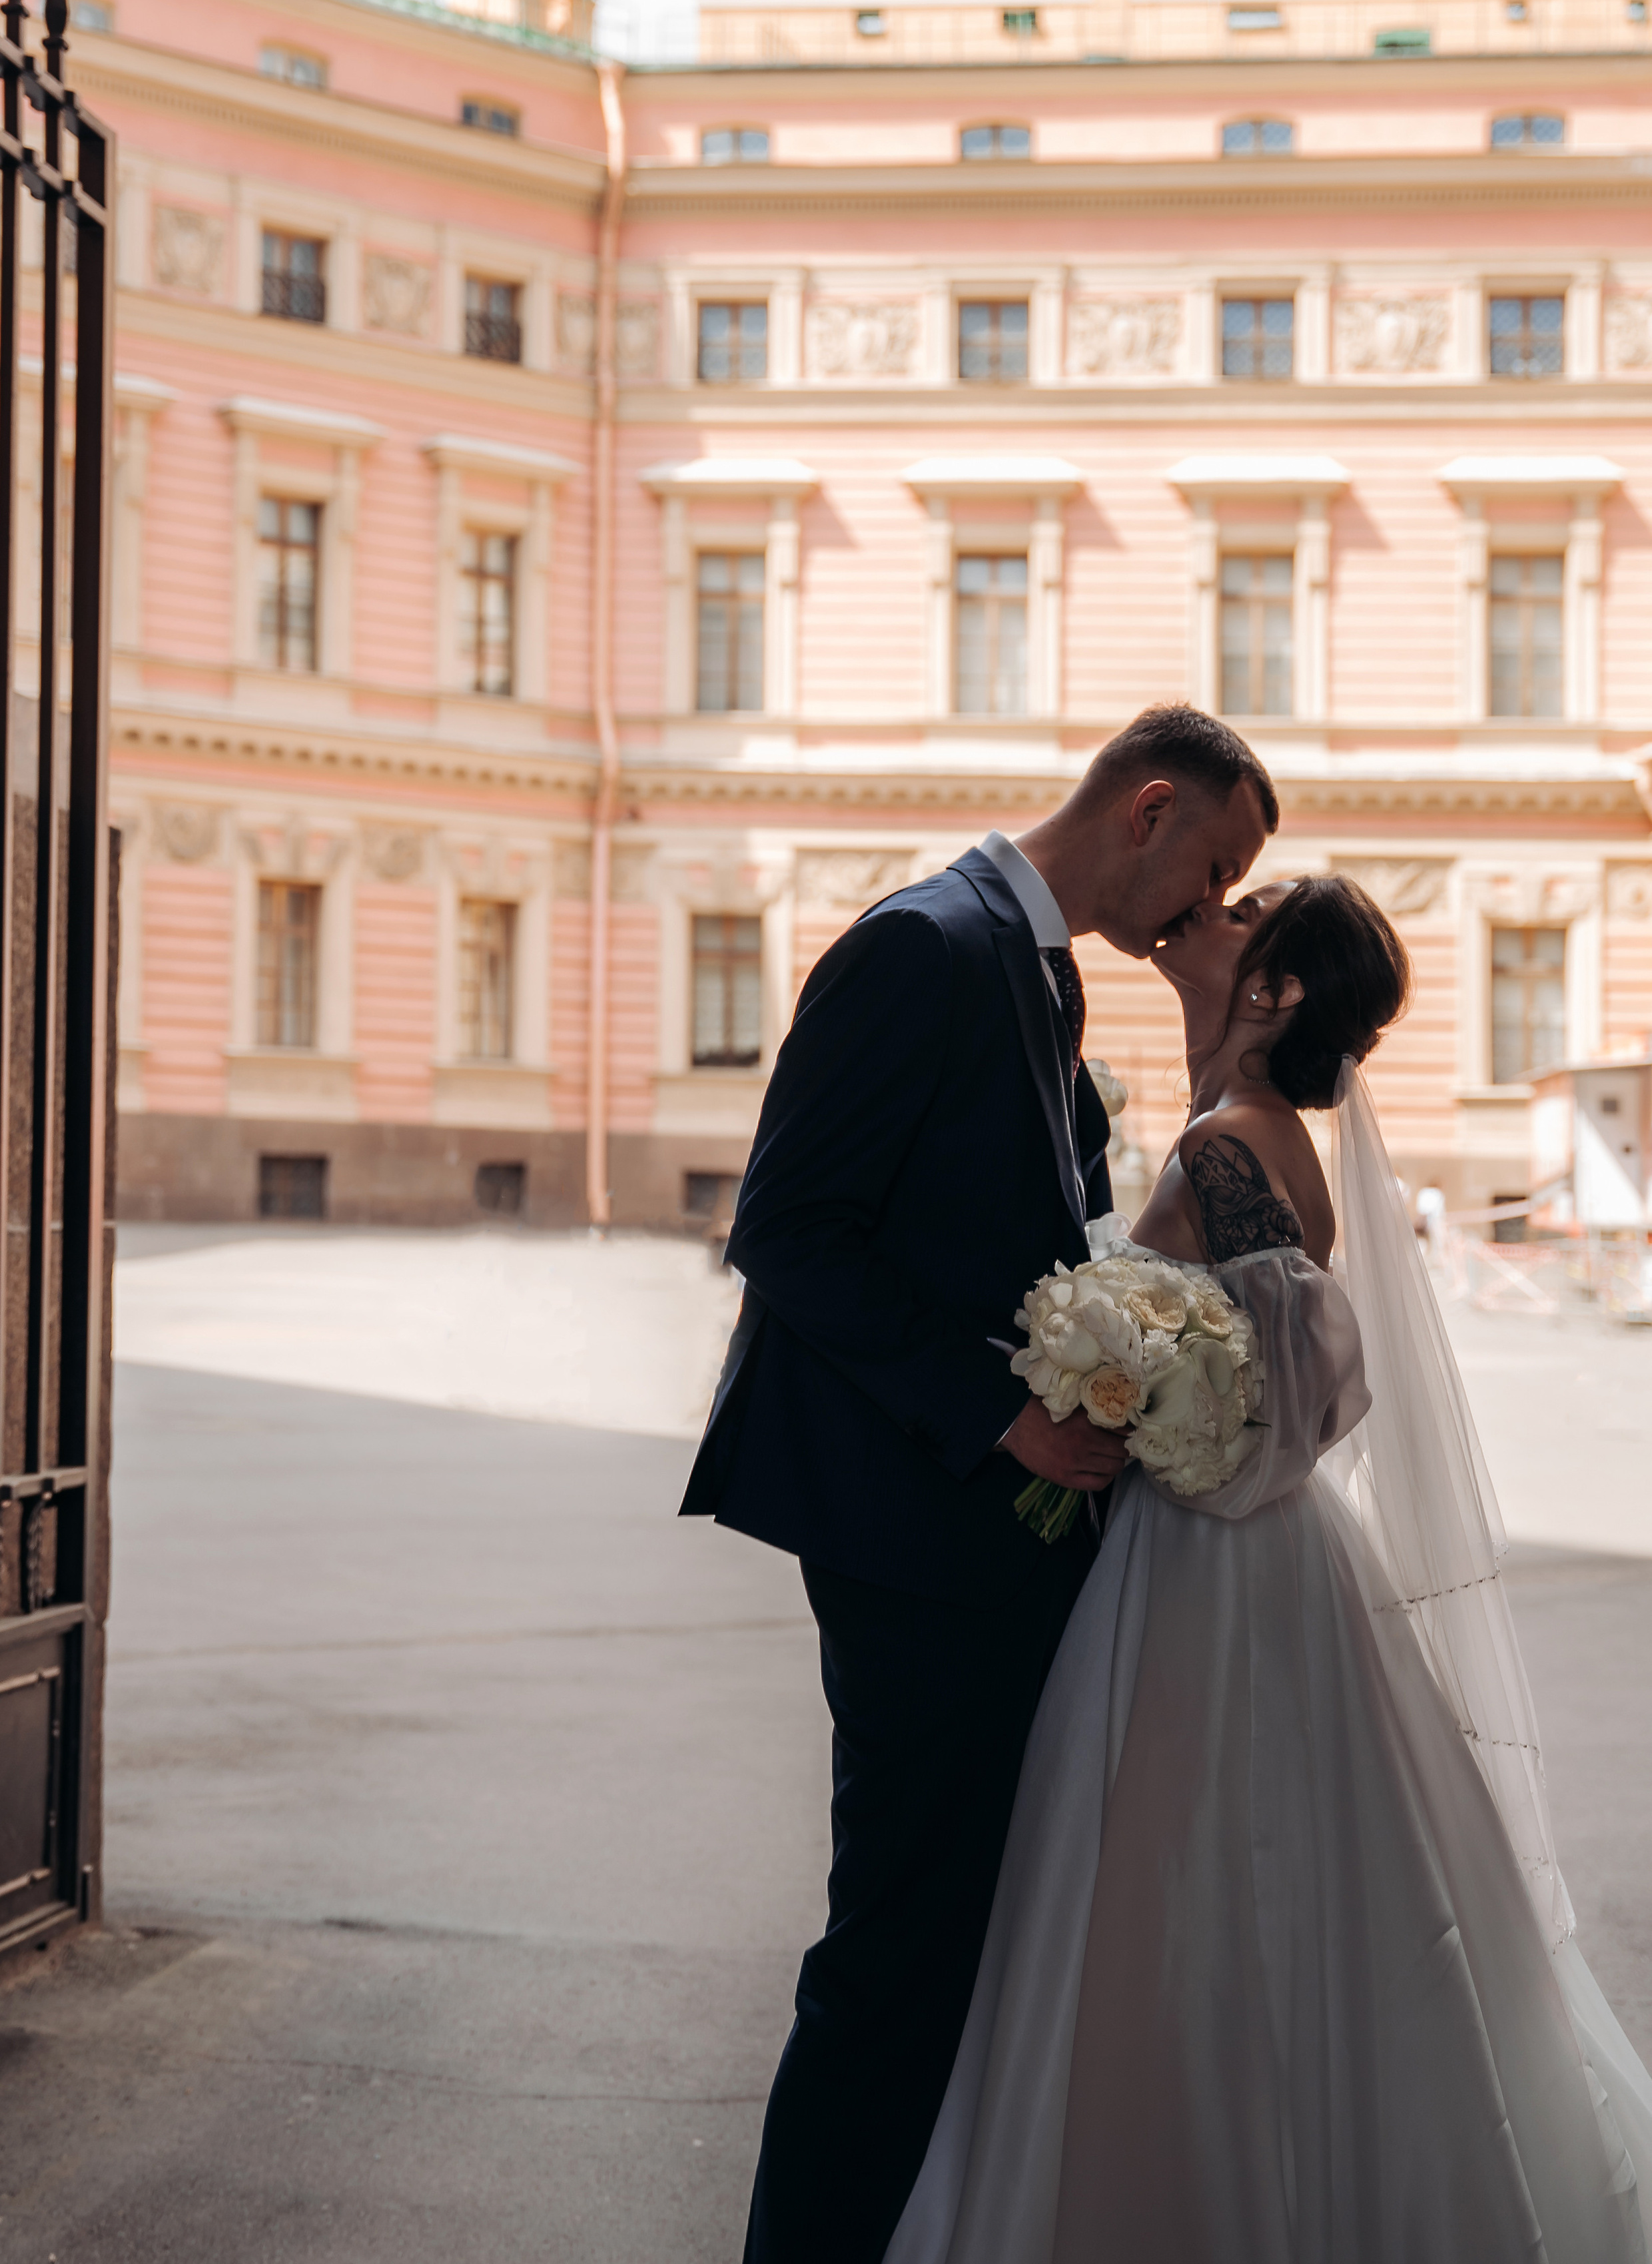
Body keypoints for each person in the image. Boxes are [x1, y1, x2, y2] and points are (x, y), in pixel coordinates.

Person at [887, 874, 1652, 2263]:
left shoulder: (1234, 1150)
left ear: (1277, 990)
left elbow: (1289, 1398)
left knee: (1199, 1891)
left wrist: (1152, 1426)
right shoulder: (1240, 1134)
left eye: (1243, 915)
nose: (1206, 915)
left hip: (1211, 1571)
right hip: (1238, 1559)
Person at [681, 705, 1276, 2264]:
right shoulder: (920, 947)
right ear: (1146, 810)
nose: (1202, 912)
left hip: (976, 1533)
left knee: (959, 1933)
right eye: (1206, 867)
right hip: (904, 1528)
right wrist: (998, 1424)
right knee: (896, 1943)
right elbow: (787, 1228)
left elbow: (1063, 1242)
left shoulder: (1044, 973)